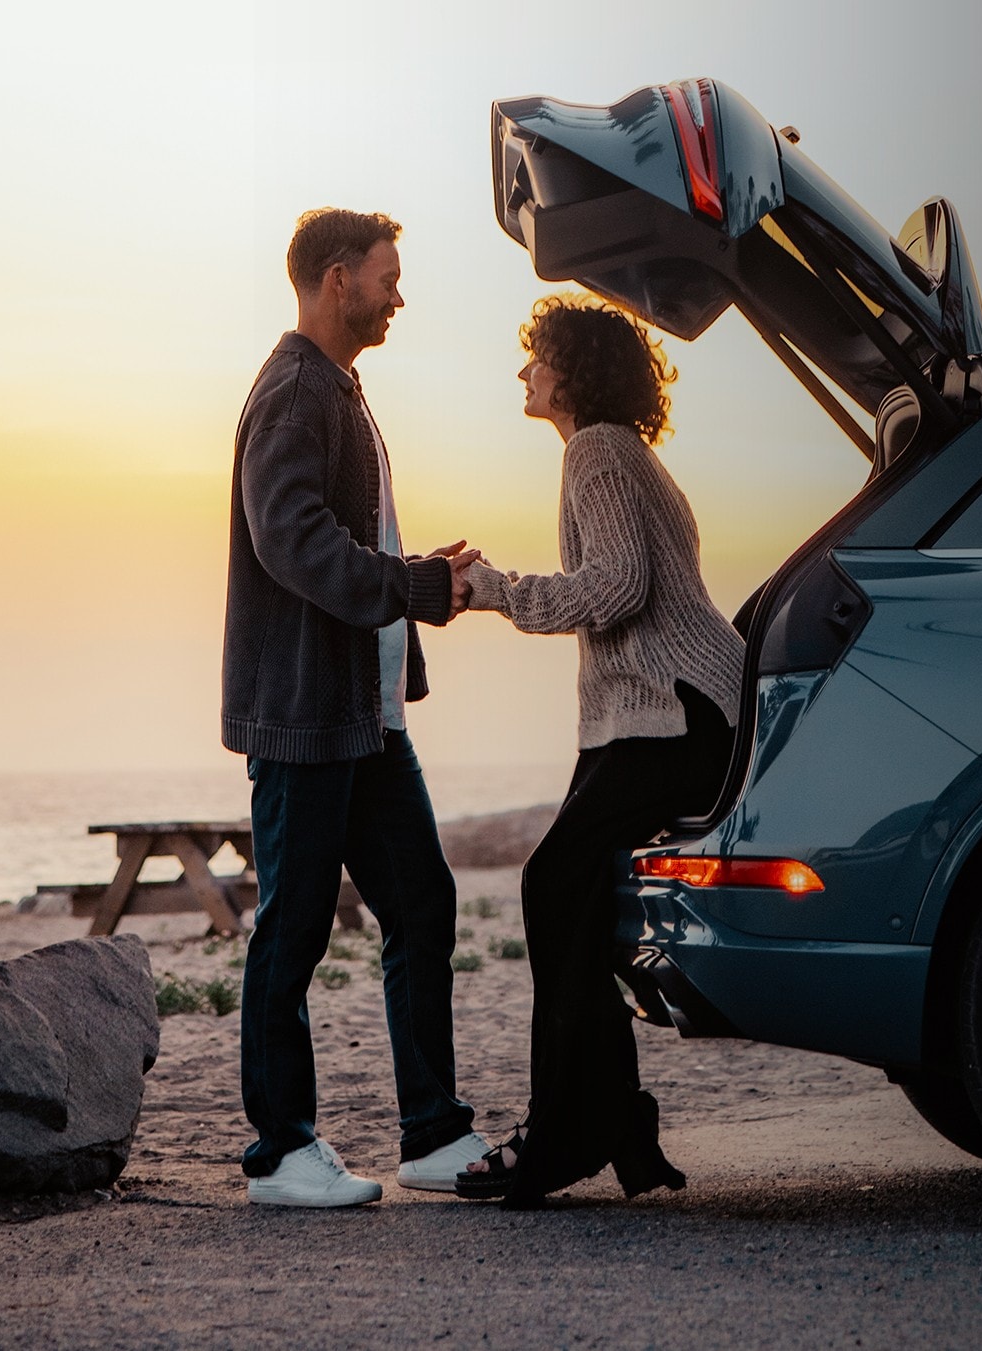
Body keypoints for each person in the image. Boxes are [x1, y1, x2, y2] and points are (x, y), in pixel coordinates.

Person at [221, 207, 490, 1206]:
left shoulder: (338, 389)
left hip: (367, 718)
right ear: (338, 279)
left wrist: (420, 585)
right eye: (388, 275)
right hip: (305, 717)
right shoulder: (295, 390)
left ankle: (433, 1134)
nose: (397, 293)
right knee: (291, 928)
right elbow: (290, 540)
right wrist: (413, 586)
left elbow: (349, 539)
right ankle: (279, 1152)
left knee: (423, 902)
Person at [456, 294, 743, 1207]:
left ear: (574, 370)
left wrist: (496, 590)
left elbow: (617, 588)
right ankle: (603, 1117)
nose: (524, 371)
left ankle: (574, 1128)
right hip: (659, 710)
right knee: (575, 894)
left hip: (675, 709)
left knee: (552, 884)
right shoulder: (620, 452)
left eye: (537, 356)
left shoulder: (599, 450)